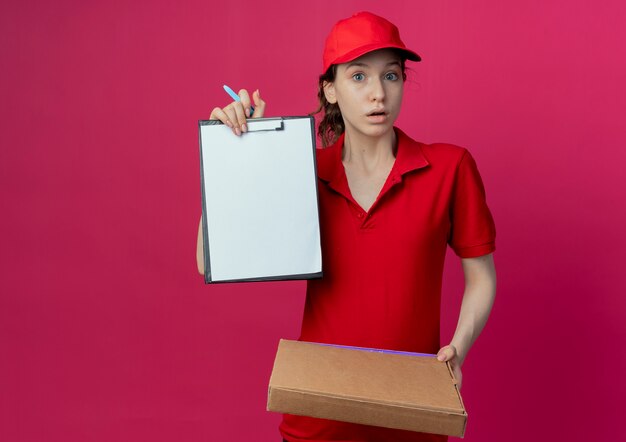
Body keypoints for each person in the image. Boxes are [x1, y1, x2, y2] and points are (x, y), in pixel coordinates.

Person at [197, 11, 496, 442]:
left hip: (413, 416)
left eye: (391, 76)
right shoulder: (302, 170)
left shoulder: (450, 168)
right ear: (330, 90)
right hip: (316, 421)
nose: (378, 94)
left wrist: (458, 349)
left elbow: (481, 277)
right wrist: (233, 155)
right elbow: (209, 258)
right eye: (359, 77)